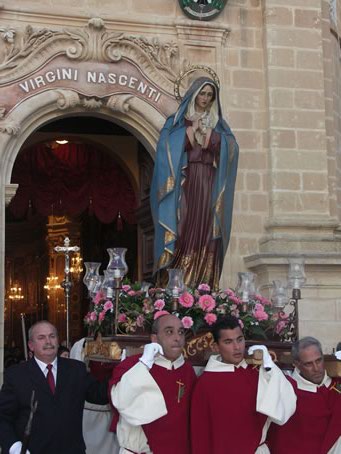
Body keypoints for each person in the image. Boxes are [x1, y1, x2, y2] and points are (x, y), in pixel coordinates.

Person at [151, 76, 239, 289]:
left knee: (207, 228)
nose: (205, 98)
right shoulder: (178, 121)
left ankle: (203, 282)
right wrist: (190, 131)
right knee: (184, 224)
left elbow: (233, 149)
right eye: (202, 93)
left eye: (210, 95)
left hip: (209, 181)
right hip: (186, 182)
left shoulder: (218, 124)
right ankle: (175, 280)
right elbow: (165, 146)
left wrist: (211, 135)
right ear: (193, 94)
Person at [191, 316, 296, 453]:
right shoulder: (205, 383)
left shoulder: (258, 374)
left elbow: (286, 406)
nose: (237, 347)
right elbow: (200, 434)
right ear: (216, 347)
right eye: (228, 342)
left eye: (239, 340)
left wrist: (270, 366)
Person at [0, 321, 109, 454]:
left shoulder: (76, 370)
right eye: (41, 337)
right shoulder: (16, 375)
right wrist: (16, 447)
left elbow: (100, 395)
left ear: (58, 341)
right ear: (31, 345)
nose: (48, 341)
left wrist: (124, 370)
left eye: (52, 336)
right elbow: (3, 418)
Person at [109, 313, 197, 454]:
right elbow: (119, 400)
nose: (177, 338)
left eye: (181, 332)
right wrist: (144, 364)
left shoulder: (187, 371)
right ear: (154, 338)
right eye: (169, 332)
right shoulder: (132, 365)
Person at [267, 336, 341, 454]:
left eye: (318, 360)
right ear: (297, 364)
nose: (316, 368)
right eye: (308, 364)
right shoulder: (287, 392)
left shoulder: (337, 385)